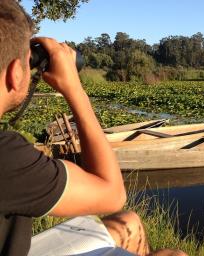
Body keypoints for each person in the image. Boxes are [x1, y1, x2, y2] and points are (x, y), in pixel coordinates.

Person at [0, 1, 187, 256]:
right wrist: (75, 89)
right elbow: (112, 194)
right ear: (14, 73)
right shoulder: (7, 157)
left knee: (129, 221)